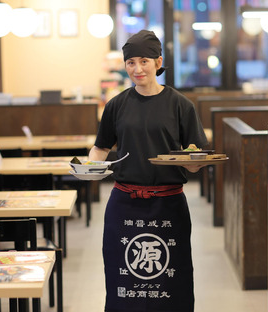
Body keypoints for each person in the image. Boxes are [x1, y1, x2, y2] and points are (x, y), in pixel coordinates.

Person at [88, 29, 208, 312]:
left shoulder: (180, 105)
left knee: (171, 277)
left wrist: (194, 162)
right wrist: (89, 168)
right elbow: (101, 149)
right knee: (123, 276)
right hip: (124, 202)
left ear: (158, 61)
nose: (137, 68)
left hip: (168, 202)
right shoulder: (116, 105)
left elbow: (197, 155)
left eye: (144, 61)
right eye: (131, 62)